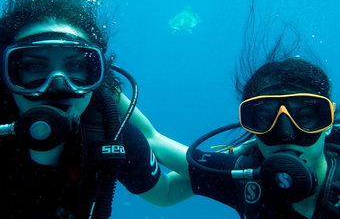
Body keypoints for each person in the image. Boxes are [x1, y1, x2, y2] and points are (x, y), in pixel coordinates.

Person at [124, 17, 340, 218]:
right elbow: (154, 149)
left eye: (304, 117)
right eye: (265, 119)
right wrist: (98, 86)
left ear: (329, 122)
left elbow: (153, 141)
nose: (285, 134)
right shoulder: (243, 177)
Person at [0, 0, 171, 218]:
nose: (58, 86)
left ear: (95, 75)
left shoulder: (107, 135)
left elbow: (166, 193)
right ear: (6, 74)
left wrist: (239, 164)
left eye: (76, 65)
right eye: (34, 66)